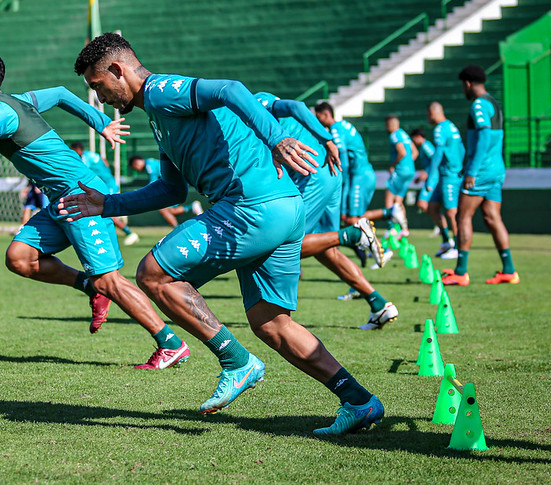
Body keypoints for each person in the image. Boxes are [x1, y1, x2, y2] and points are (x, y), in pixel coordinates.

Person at [61, 33, 384, 435]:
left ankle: (237, 362)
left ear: (117, 70)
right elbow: (171, 191)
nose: (99, 98)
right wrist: (107, 204)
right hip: (283, 209)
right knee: (271, 323)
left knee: (153, 274)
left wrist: (276, 137)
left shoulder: (161, 90)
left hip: (251, 207)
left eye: (97, 86)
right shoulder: (160, 117)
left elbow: (231, 89)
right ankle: (359, 400)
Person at [0, 51, 189, 369]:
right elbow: (60, 93)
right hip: (59, 200)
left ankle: (170, 343)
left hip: (80, 198)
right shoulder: (18, 100)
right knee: (19, 257)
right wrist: (102, 124)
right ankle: (89, 286)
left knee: (111, 281)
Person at [256, 93, 398, 331]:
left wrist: (328, 139)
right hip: (328, 172)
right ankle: (379, 304)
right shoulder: (256, 105)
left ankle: (352, 235)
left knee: (285, 245)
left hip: (313, 176)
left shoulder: (253, 104)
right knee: (325, 250)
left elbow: (296, 106)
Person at [442, 65, 519, 286]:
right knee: (492, 218)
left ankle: (461, 271)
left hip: (481, 172)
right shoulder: (494, 102)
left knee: (462, 217)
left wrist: (472, 171)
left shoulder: (478, 104)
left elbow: (484, 137)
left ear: (467, 83)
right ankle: (509, 270)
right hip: (496, 170)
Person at [314, 103, 407, 266]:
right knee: (346, 218)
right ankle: (369, 246)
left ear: (326, 114)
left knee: (351, 218)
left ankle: (388, 219)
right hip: (361, 175)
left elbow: (342, 158)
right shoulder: (344, 125)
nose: (316, 119)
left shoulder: (336, 129)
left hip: (359, 177)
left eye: (318, 115)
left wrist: (341, 182)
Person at [70, 141, 140, 245]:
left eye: (74, 151)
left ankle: (130, 233)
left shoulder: (86, 159)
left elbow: (82, 173)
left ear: (79, 150)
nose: (73, 154)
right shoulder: (91, 154)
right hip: (107, 184)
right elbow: (105, 162)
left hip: (108, 186)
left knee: (108, 212)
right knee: (104, 212)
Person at [420, 103, 466, 259]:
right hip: (446, 174)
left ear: (433, 113)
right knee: (431, 207)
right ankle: (447, 241)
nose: (427, 118)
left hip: (449, 175)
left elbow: (437, 156)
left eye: (427, 114)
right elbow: (462, 149)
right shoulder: (451, 126)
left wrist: (430, 180)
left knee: (452, 212)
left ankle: (460, 248)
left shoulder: (440, 129)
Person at [128, 155, 203, 227]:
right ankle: (192, 207)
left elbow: (153, 182)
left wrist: (141, 192)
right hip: (175, 183)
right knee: (171, 211)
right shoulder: (150, 164)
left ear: (137, 162)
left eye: (135, 167)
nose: (136, 169)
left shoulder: (149, 165)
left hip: (175, 183)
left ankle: (177, 229)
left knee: (163, 210)